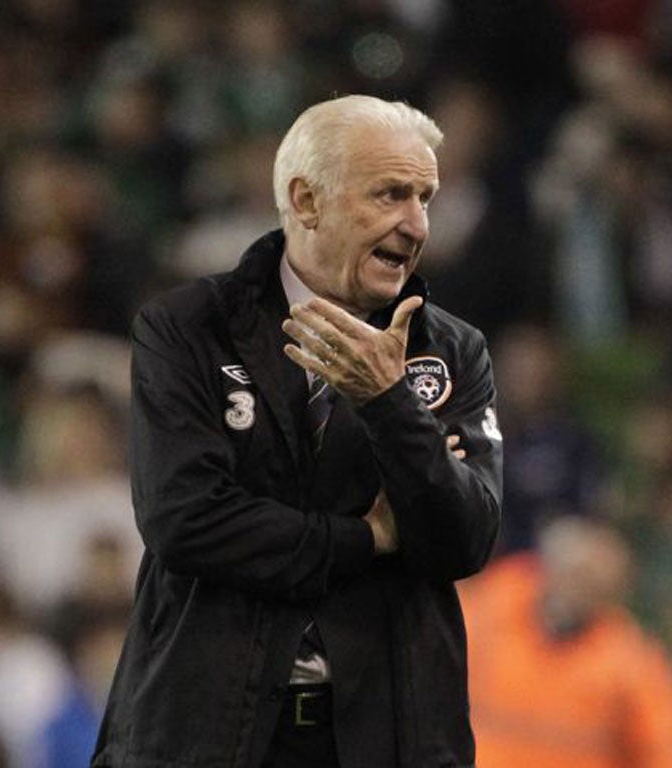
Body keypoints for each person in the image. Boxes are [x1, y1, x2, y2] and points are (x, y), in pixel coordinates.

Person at [91, 95, 504, 768]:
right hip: (205, 732)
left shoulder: (454, 351)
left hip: (385, 739)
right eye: (391, 194)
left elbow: (463, 538)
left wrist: (388, 401)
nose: (417, 224)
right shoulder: (187, 329)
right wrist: (367, 535)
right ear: (306, 202)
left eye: (425, 196)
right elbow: (185, 519)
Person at [459, 517, 672, 768]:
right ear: (550, 566)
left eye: (597, 584)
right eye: (579, 574)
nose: (580, 590)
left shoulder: (630, 662)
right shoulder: (490, 610)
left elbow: (669, 749)